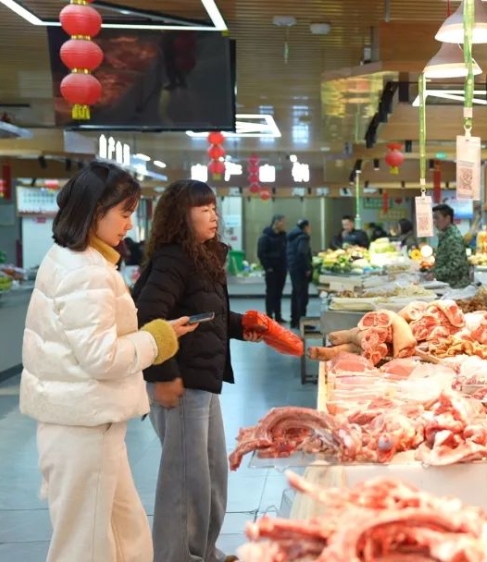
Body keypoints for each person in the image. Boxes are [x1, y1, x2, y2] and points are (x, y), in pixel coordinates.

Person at [20, 162, 195, 562]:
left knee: (125, 534)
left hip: (87, 422)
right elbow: (102, 357)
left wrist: (155, 335)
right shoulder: (86, 272)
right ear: (95, 210)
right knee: (86, 545)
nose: (130, 225)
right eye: (125, 213)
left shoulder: (77, 260)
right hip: (85, 427)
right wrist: (157, 338)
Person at [132, 179, 261, 562]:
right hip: (181, 383)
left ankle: (204, 551)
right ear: (180, 216)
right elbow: (148, 318)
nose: (213, 216)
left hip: (203, 381)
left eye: (213, 208)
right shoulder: (174, 259)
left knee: (210, 476)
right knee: (186, 481)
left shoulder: (203, 256)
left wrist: (243, 326)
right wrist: (165, 375)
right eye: (202, 209)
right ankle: (178, 556)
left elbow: (205, 314)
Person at [257, 214, 288, 323]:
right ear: (276, 222)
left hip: (282, 270)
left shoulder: (284, 236)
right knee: (271, 293)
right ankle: (269, 316)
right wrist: (268, 267)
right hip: (271, 271)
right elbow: (261, 254)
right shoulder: (265, 237)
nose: (284, 225)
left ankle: (278, 316)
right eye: (283, 222)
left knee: (279, 294)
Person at [432, 203, 469, 289]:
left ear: (447, 218)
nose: (434, 221)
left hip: (456, 287)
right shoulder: (446, 236)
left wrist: (435, 274)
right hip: (447, 285)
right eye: (434, 218)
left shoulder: (454, 238)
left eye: (437, 218)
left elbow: (455, 265)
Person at [287, 218, 313, 328]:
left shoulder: (292, 236)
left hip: (293, 268)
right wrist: (307, 268)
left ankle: (294, 321)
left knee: (296, 295)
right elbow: (302, 253)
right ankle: (301, 323)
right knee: (302, 297)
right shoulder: (303, 237)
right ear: (306, 227)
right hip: (301, 270)